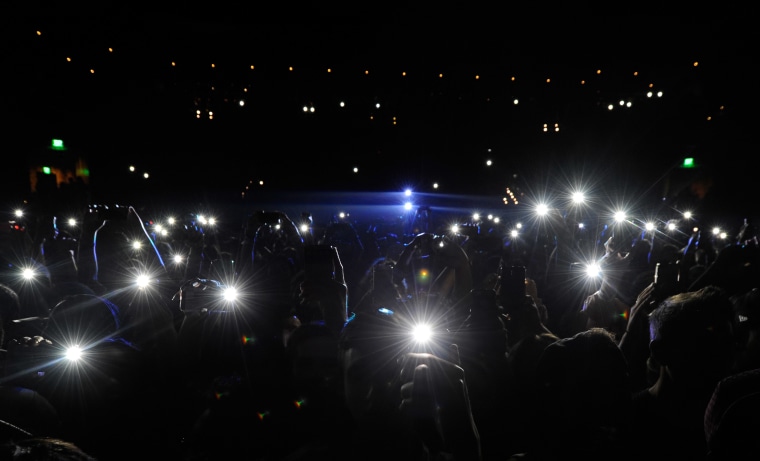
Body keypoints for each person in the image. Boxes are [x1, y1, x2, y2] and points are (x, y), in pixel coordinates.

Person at [629, 285, 737, 461]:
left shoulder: (736, 419)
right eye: (704, 344)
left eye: (728, 342)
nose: (724, 355)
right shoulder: (630, 424)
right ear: (660, 352)